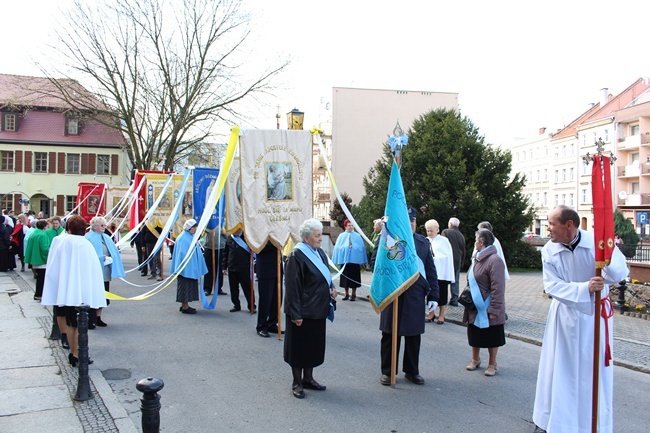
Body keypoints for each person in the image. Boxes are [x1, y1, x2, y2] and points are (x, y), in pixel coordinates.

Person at [532, 206, 628, 433]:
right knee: (561, 369)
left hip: (595, 317)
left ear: (569, 225)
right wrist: (584, 288)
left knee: (591, 370)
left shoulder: (597, 242)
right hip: (564, 316)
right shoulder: (549, 250)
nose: (548, 228)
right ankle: (555, 422)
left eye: (552, 223)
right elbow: (552, 285)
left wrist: (607, 258)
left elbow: (620, 273)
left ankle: (591, 423)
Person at [377, 208, 439, 386]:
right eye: (407, 220)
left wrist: (434, 295)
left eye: (413, 220)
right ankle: (388, 372)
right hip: (393, 294)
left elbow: (431, 271)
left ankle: (412, 371)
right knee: (389, 334)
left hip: (414, 296)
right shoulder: (388, 241)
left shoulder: (423, 243)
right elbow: (375, 264)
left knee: (413, 335)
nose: (411, 223)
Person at [41, 215, 106, 367]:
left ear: (69, 228)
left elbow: (55, 267)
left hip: (68, 290)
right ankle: (80, 353)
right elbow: (94, 271)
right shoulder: (86, 245)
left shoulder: (62, 243)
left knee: (72, 324)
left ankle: (73, 352)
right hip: (84, 292)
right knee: (81, 325)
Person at [284, 218, 338, 398]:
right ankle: (297, 382)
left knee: (313, 347)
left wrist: (331, 289)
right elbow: (293, 287)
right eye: (317, 236)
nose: (320, 239)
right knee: (298, 349)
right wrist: (295, 313)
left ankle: (308, 378)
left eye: (320, 235)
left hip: (318, 310)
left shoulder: (320, 253)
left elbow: (325, 278)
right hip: (303, 312)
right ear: (306, 238)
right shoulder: (296, 256)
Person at [463, 229, 506, 377]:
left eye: (476, 240)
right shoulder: (477, 257)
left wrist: (495, 308)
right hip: (474, 305)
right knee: (475, 334)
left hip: (488, 305)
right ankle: (475, 359)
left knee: (492, 336)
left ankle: (492, 364)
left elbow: (498, 287)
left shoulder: (495, 260)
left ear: (481, 242)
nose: (474, 243)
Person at [85, 216, 126, 327]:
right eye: (102, 225)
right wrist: (99, 258)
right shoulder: (88, 238)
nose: (104, 227)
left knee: (104, 293)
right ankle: (90, 318)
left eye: (104, 225)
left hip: (105, 270)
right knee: (94, 294)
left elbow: (113, 250)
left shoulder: (106, 237)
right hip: (94, 271)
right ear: (95, 226)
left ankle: (98, 317)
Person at [170, 219, 208, 314]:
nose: (196, 229)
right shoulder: (184, 238)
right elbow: (182, 254)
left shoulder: (188, 236)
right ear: (191, 228)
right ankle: (185, 306)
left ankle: (184, 305)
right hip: (186, 268)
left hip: (189, 267)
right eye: (195, 227)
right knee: (185, 286)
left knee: (187, 286)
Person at [425, 219, 455, 324]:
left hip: (441, 273)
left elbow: (446, 256)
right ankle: (431, 313)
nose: (429, 233)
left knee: (442, 294)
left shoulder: (443, 241)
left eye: (431, 231)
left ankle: (442, 314)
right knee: (430, 293)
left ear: (437, 230)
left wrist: (435, 259)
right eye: (428, 231)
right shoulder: (425, 240)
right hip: (430, 274)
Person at [332, 219, 367, 301]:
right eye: (349, 225)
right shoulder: (341, 236)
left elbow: (361, 248)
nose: (351, 227)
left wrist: (353, 247)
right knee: (345, 278)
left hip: (354, 262)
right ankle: (346, 293)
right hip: (345, 261)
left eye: (352, 225)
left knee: (354, 278)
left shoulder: (357, 236)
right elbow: (338, 247)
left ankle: (354, 294)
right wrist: (346, 247)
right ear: (345, 226)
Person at [223, 229, 254, 312]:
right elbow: (225, 253)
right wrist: (224, 267)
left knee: (247, 287)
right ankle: (236, 305)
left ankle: (251, 305)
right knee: (233, 288)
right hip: (232, 266)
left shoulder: (246, 237)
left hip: (244, 266)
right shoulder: (229, 238)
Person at [256, 242, 282, 337]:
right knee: (265, 299)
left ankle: (272, 323)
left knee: (277, 299)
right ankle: (261, 326)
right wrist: (276, 243)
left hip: (277, 267)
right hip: (265, 267)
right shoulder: (259, 229)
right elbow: (257, 245)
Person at [441, 217, 465, 306]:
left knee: (444, 281)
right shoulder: (461, 235)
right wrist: (462, 262)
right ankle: (454, 299)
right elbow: (464, 250)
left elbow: (442, 246)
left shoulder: (446, 232)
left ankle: (442, 299)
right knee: (455, 281)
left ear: (450, 224)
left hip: (447, 261)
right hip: (457, 261)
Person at [24, 219, 51, 300]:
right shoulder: (43, 234)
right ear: (44, 226)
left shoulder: (34, 233)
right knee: (42, 279)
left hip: (34, 258)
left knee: (39, 277)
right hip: (42, 260)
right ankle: (39, 294)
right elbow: (45, 248)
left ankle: (38, 293)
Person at [202, 227, 228, 296]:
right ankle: (207, 288)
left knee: (219, 269)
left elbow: (229, 235)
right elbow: (202, 231)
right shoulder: (208, 220)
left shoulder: (223, 221)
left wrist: (224, 233)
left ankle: (218, 288)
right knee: (208, 268)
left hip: (220, 246)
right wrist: (208, 230)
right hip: (209, 246)